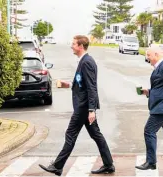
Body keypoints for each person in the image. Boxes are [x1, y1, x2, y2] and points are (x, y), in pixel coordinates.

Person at [39, 35, 115, 176]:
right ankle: (109, 164)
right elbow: (83, 84)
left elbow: (92, 87)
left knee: (71, 134)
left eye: (73, 44)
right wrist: (69, 84)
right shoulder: (83, 61)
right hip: (85, 106)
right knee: (96, 135)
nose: (71, 46)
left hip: (84, 108)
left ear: (80, 46)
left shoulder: (87, 62)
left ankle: (57, 166)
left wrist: (91, 110)